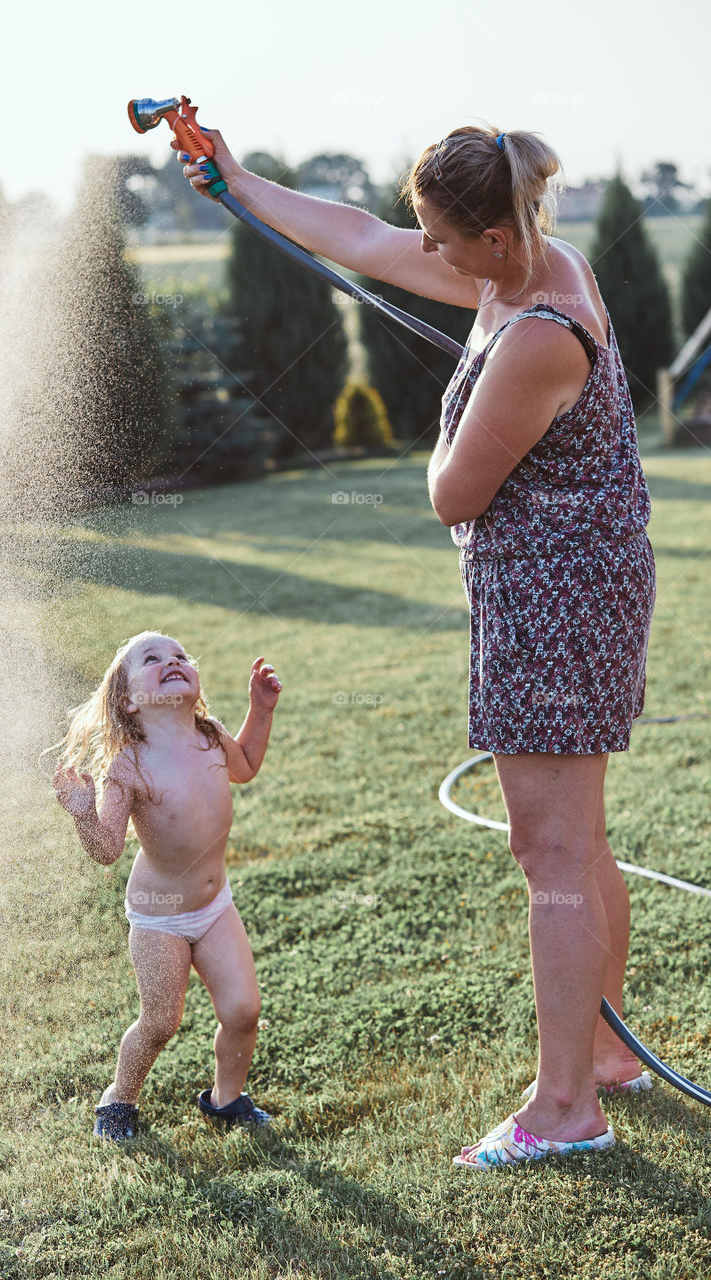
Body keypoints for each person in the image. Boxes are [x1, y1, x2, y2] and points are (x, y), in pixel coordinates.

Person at [178, 124, 655, 1169]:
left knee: (553, 850)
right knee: (577, 834)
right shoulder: (519, 262)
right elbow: (361, 235)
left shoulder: (537, 325)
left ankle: (566, 1104)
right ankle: (607, 1059)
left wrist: (458, 409)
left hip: (557, 599)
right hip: (569, 584)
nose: (425, 254)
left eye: (442, 240)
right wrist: (239, 179)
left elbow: (452, 489)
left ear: (492, 232)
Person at [52, 631, 282, 1140]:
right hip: (160, 916)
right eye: (152, 659)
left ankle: (227, 1100)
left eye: (180, 655)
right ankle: (118, 1100)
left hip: (214, 904)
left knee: (244, 1011)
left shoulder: (209, 734)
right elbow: (108, 849)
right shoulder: (127, 767)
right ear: (129, 701)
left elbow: (245, 766)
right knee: (160, 1023)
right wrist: (83, 815)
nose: (171, 661)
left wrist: (260, 710)